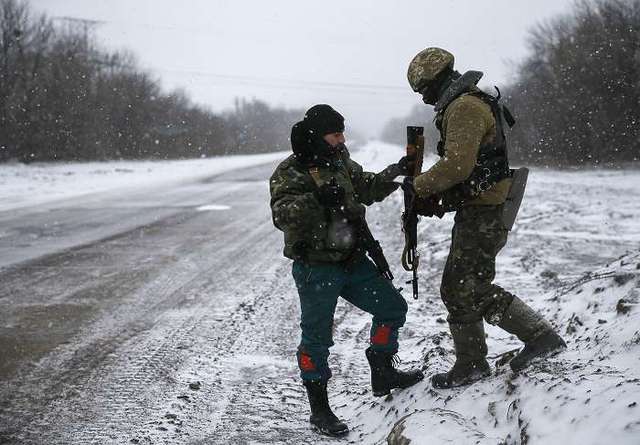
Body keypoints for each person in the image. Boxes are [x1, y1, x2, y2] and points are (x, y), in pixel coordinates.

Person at [405, 47, 566, 389]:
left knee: (468, 286)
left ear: (435, 79)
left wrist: (417, 187)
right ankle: (472, 361)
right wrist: (440, 199)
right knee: (460, 286)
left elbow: (458, 166)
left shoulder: (463, 106)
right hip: (481, 206)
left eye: (423, 89)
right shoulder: (462, 104)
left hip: (487, 210)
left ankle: (537, 339)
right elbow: (470, 170)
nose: (423, 97)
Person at [269, 104, 424, 437]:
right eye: (335, 133)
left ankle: (382, 368)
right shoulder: (291, 171)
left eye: (342, 133)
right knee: (317, 341)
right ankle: (320, 410)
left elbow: (365, 187)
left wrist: (396, 172)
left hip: (352, 261)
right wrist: (318, 199)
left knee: (392, 308)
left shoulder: (340, 162)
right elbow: (281, 214)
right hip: (316, 268)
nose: (341, 139)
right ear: (318, 135)